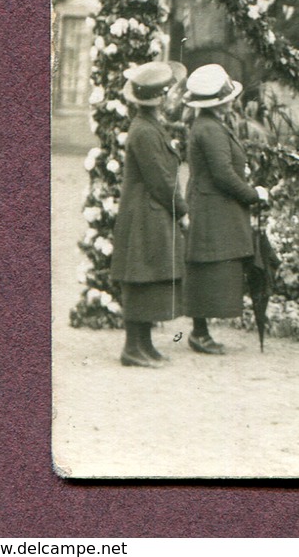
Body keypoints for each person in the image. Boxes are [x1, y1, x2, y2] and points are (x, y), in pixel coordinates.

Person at [182, 63, 266, 355]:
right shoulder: (209, 128)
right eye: (228, 98)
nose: (232, 102)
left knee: (209, 264)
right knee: (207, 265)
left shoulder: (210, 124)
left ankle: (199, 331)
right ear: (219, 102)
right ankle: (198, 333)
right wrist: (253, 194)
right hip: (212, 205)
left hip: (212, 204)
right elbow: (223, 174)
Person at [111, 60, 188, 368]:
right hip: (145, 214)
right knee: (140, 278)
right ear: (160, 98)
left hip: (149, 213)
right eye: (170, 94)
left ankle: (144, 344)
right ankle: (132, 348)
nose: (174, 99)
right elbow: (160, 179)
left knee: (149, 278)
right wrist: (181, 210)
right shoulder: (144, 131)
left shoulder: (150, 126)